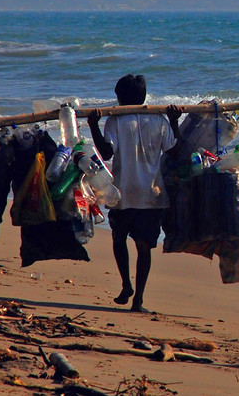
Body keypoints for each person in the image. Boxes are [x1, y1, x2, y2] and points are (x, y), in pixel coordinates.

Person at [87, 74, 183, 313]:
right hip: (151, 195)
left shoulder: (116, 121)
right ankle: (138, 299)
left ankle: (126, 286)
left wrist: (92, 126)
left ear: (120, 99)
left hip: (122, 193)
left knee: (119, 239)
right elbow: (175, 150)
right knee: (143, 247)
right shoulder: (159, 120)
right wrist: (174, 121)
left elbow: (107, 153)